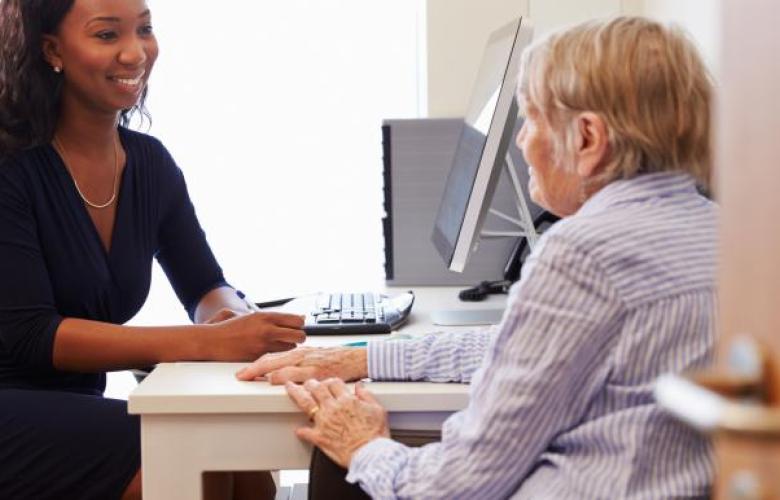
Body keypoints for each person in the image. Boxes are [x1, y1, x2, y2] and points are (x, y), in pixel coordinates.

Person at [237, 16, 717, 499]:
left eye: (530, 118)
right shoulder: (727, 236)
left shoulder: (585, 254)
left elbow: (455, 488)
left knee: (336, 470)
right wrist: (365, 357)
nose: (523, 141)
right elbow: (522, 348)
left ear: (587, 139)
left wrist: (364, 445)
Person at [0, 0, 306, 498]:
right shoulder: (11, 166)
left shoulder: (149, 163)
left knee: (245, 467)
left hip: (72, 408)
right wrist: (204, 344)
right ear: (51, 49)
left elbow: (206, 284)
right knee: (184, 452)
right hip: (10, 408)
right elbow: (33, 335)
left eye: (144, 29)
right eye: (107, 35)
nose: (135, 52)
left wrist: (227, 318)